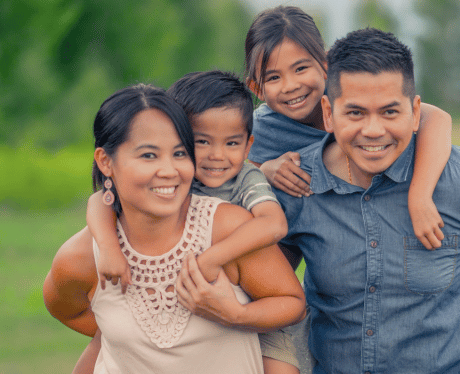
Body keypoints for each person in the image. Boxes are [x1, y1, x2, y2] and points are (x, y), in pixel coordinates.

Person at [272, 27, 460, 373]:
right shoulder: (296, 187)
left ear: (415, 110)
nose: (374, 130)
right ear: (328, 113)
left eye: (390, 112)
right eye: (355, 113)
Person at [43, 84, 306, 374]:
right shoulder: (81, 257)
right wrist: (125, 339)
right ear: (106, 162)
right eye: (148, 156)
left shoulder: (230, 227)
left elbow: (291, 302)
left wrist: (234, 315)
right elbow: (66, 309)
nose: (169, 170)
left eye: (180, 153)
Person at [244, 6, 451, 250]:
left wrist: (420, 196)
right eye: (273, 78)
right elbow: (239, 179)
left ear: (325, 64)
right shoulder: (262, 129)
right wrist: (265, 170)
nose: (290, 86)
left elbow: (436, 118)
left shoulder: (346, 96)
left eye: (300, 69)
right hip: (324, 225)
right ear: (257, 89)